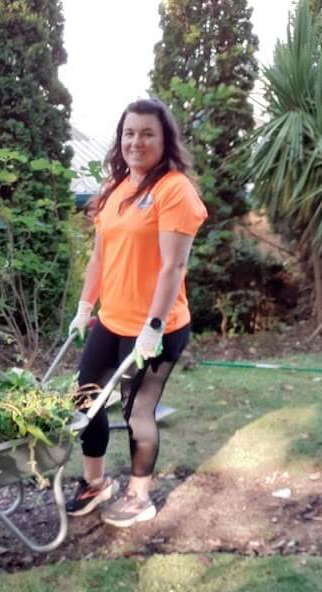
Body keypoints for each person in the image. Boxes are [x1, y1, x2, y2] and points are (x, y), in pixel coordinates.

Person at [66, 97, 207, 528]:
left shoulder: (174, 190)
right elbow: (100, 257)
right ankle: (96, 483)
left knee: (135, 412)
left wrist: (154, 326)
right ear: (119, 139)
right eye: (129, 133)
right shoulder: (117, 189)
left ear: (164, 139)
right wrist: (85, 305)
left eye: (147, 133)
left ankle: (139, 495)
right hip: (112, 320)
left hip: (156, 327)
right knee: (84, 398)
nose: (136, 141)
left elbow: (173, 266)